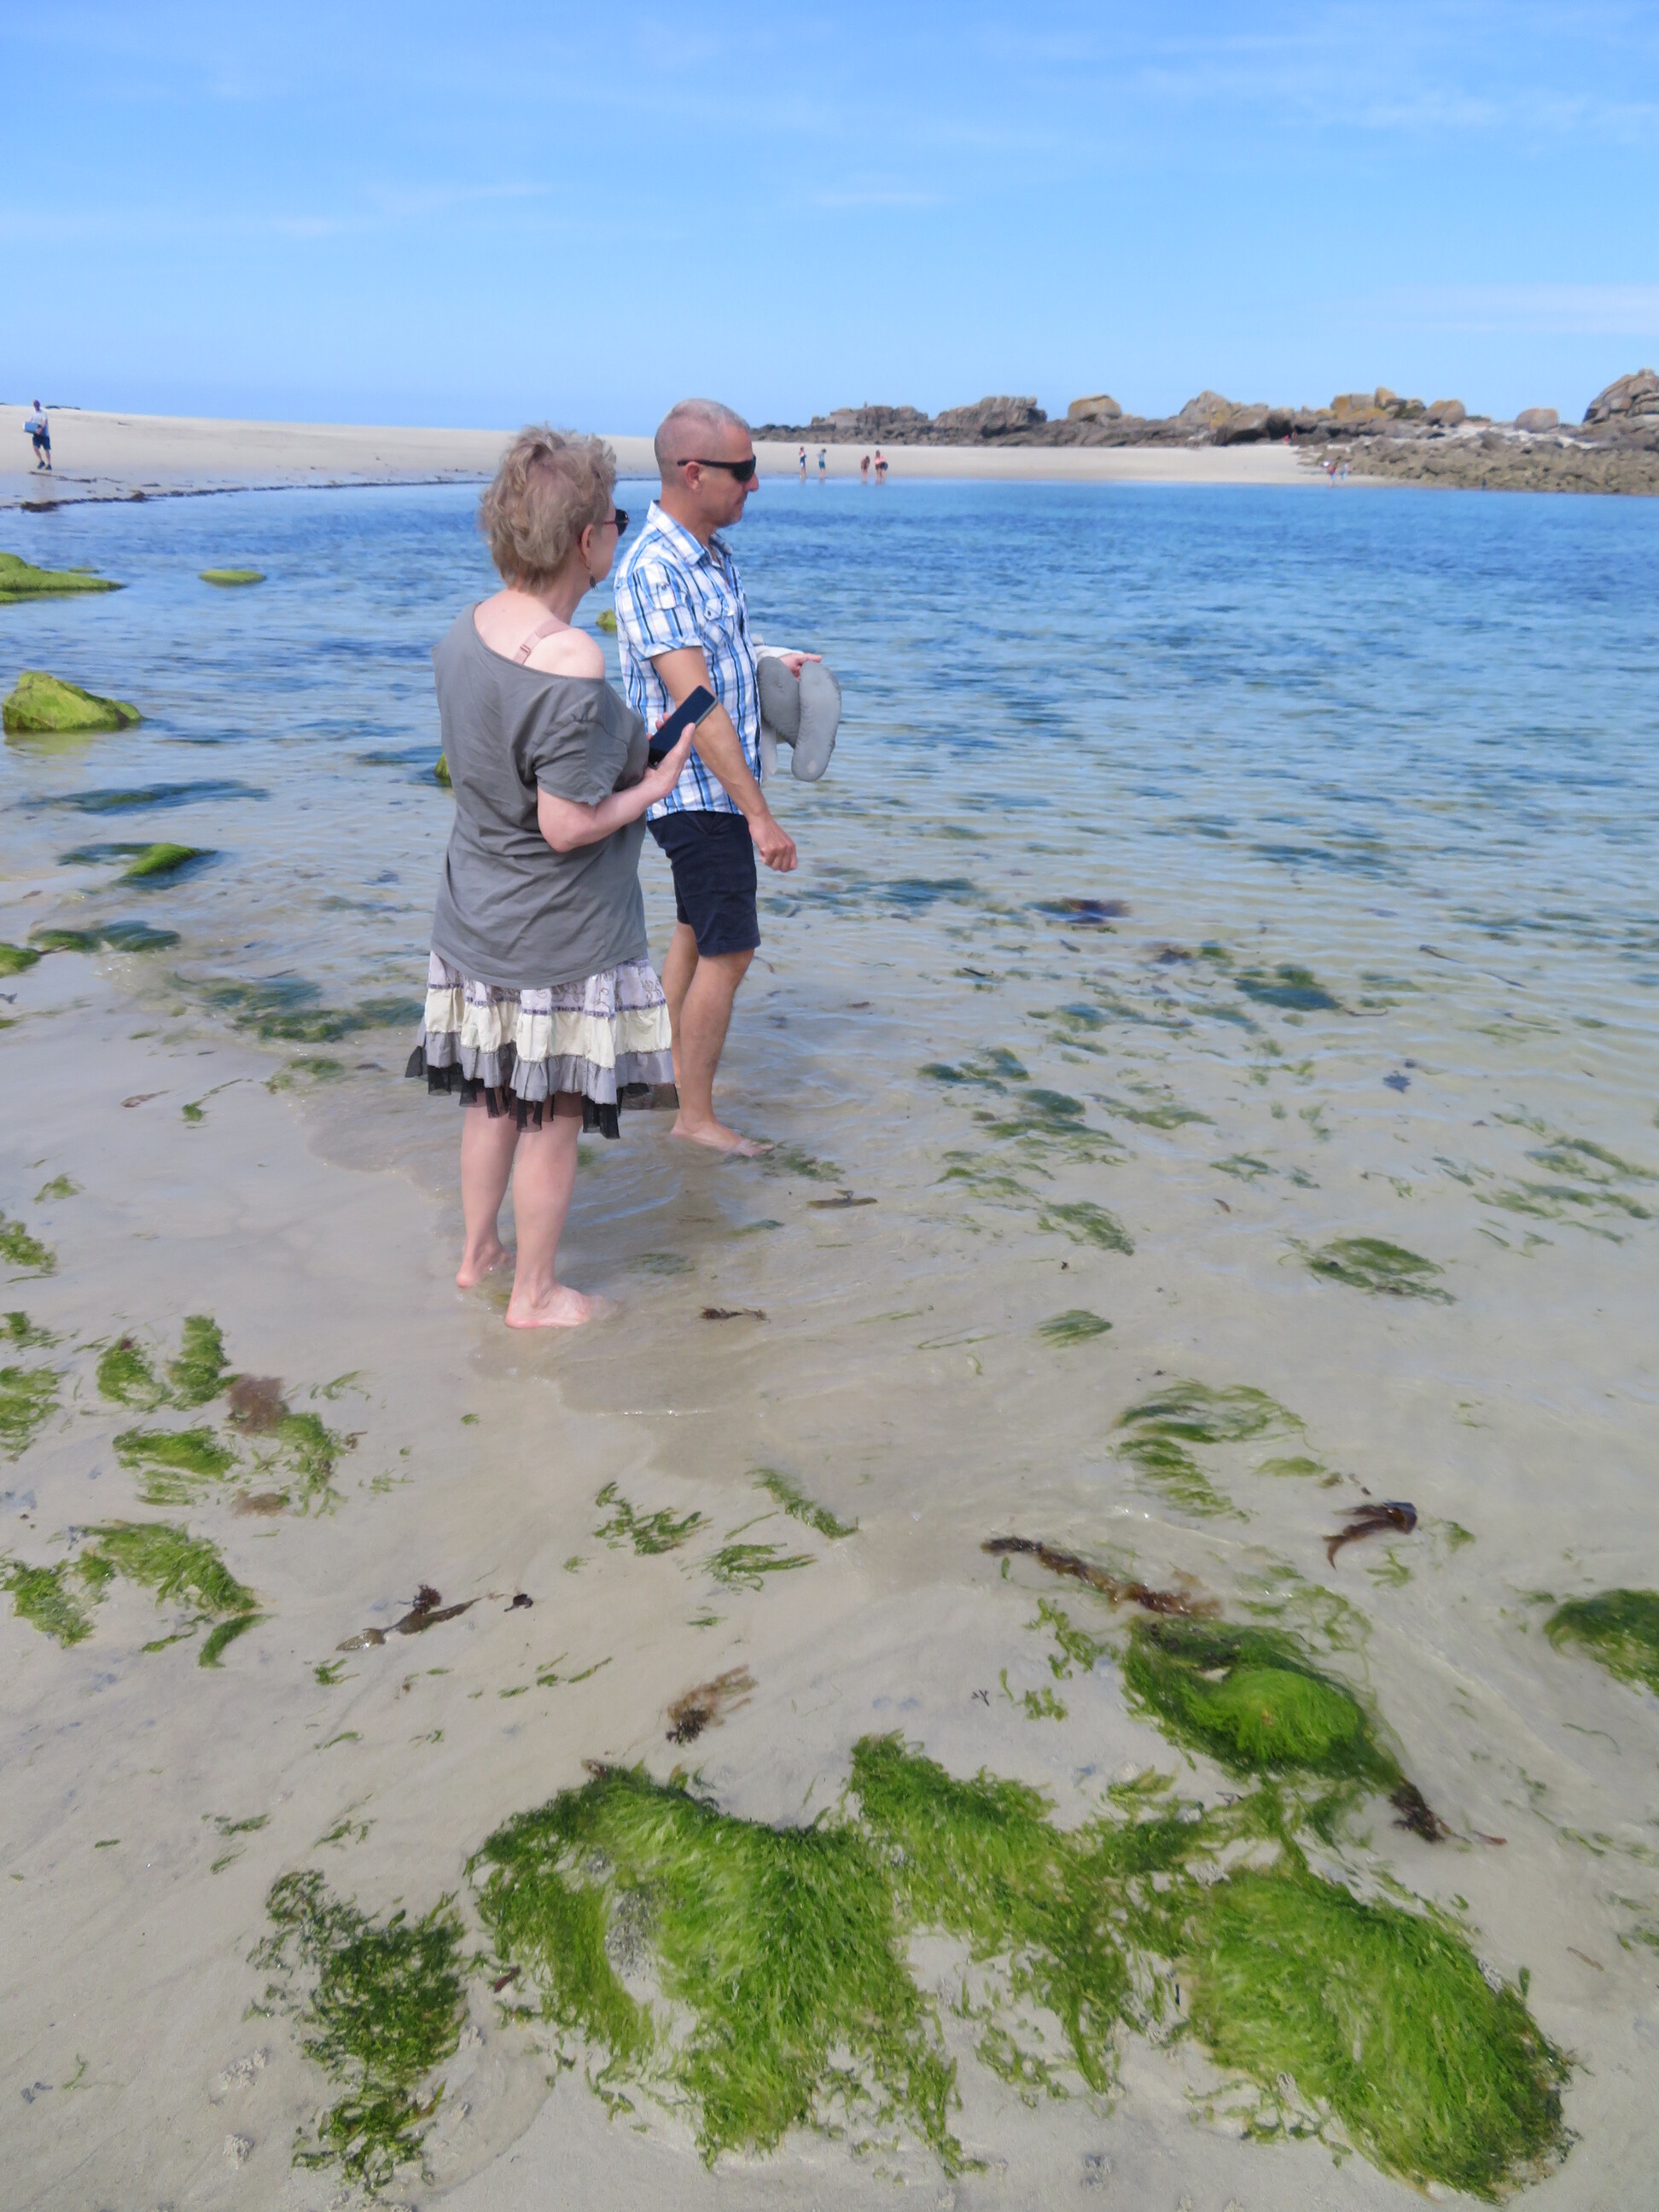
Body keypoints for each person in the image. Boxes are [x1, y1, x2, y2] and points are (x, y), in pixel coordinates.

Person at [406, 427, 699, 1328]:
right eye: (615, 519)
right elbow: (566, 824)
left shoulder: (469, 628)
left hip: (474, 915)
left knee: (492, 1096)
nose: (618, 532)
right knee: (554, 1116)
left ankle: (478, 1256)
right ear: (585, 540)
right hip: (556, 934)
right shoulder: (572, 658)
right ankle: (534, 1295)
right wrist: (652, 786)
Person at [613, 399, 818, 1155]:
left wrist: (770, 659)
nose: (756, 484)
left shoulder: (709, 554)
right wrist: (759, 815)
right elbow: (695, 703)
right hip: (695, 790)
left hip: (707, 787)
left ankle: (657, 1078)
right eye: (745, 470)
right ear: (694, 473)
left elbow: (717, 655)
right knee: (730, 950)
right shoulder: (656, 567)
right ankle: (695, 1119)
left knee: (695, 934)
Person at [25, 400, 50, 472]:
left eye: (37, 405)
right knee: (35, 447)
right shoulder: (33, 413)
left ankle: (49, 464)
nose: (36, 406)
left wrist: (41, 429)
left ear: (39, 405)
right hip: (36, 434)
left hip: (44, 434)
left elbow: (44, 423)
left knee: (46, 449)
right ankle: (41, 461)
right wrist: (26, 428)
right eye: (35, 405)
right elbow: (30, 421)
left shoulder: (43, 413)